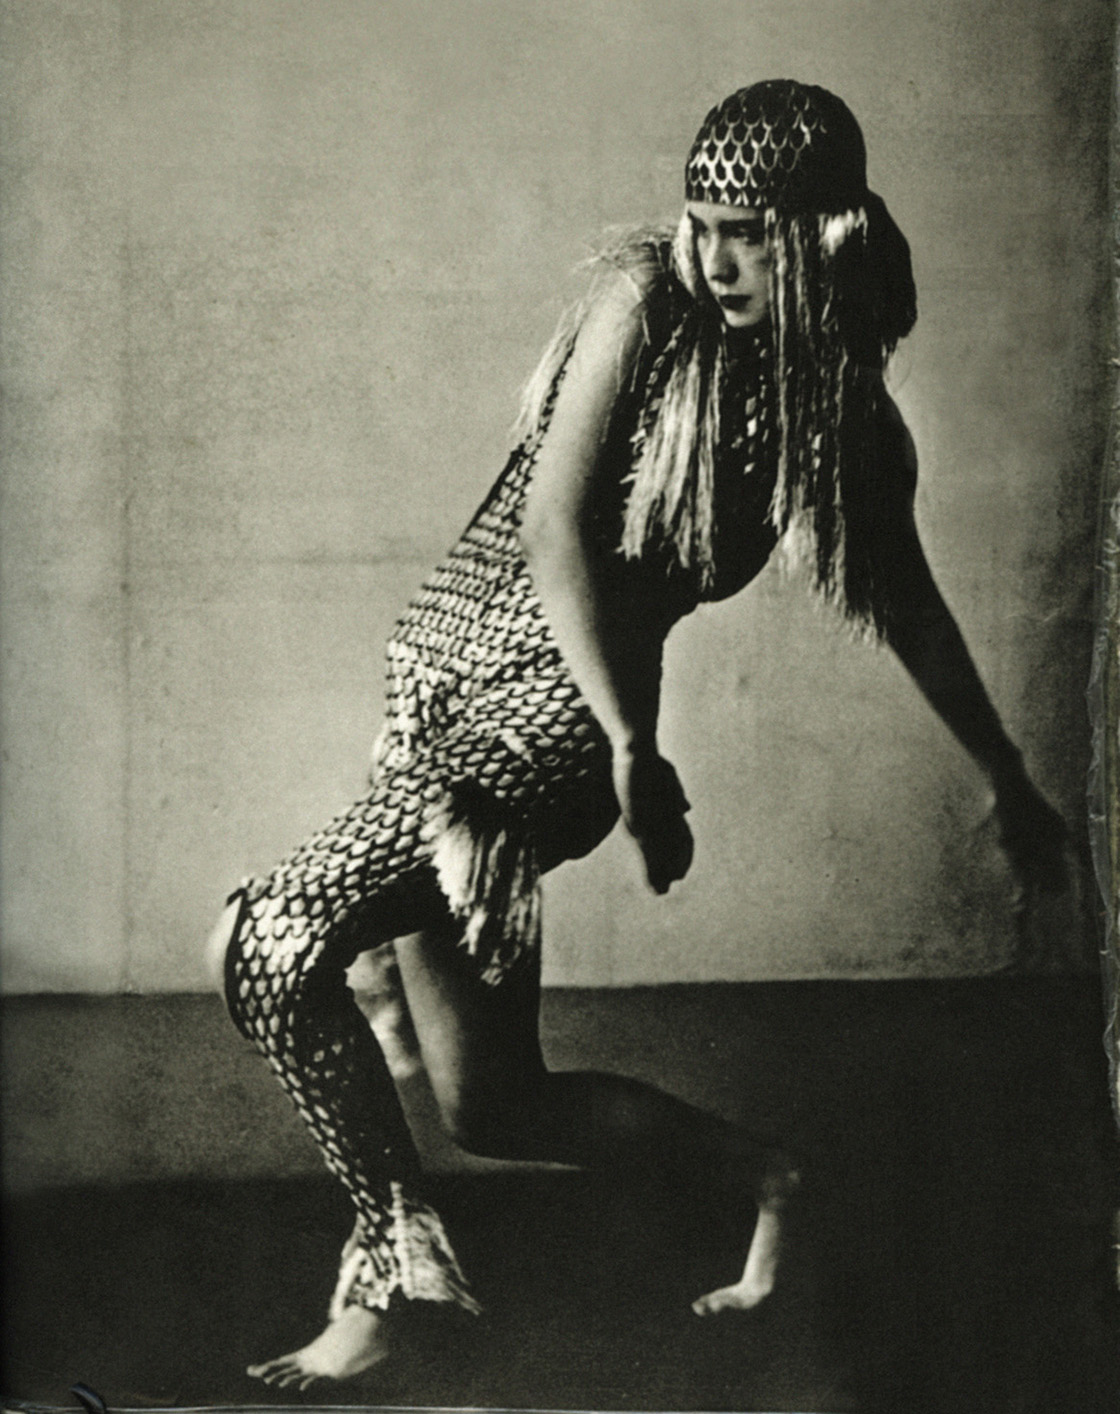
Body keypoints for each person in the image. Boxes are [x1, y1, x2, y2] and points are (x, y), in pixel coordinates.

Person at [207, 79, 1068, 1390]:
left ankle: (398, 1277)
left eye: (752, 233)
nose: (718, 257)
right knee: (490, 1105)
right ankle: (775, 1177)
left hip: (547, 734)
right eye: (704, 221)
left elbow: (912, 614)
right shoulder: (640, 305)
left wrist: (1005, 776)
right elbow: (553, 518)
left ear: (824, 234)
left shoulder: (838, 423)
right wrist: (630, 744)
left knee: (268, 940)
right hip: (432, 699)